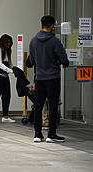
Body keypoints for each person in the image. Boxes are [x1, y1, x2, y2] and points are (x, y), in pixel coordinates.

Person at [29, 15, 69, 143]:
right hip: (53, 77)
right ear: (52, 26)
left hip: (39, 77)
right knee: (52, 105)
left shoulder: (33, 41)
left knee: (38, 105)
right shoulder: (55, 41)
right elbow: (64, 59)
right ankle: (51, 134)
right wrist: (62, 62)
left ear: (41, 26)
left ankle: (37, 134)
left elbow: (31, 61)